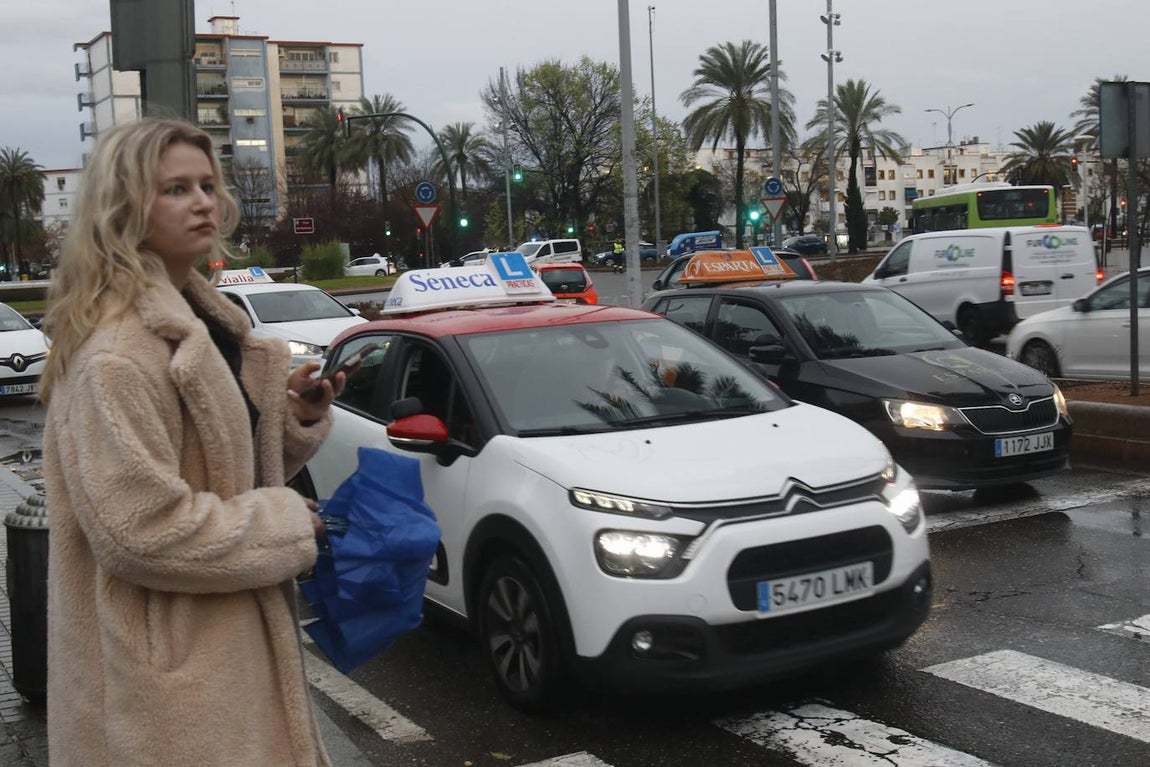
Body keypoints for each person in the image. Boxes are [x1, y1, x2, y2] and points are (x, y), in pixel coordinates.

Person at [39, 118, 343, 767]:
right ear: (124, 206)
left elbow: (213, 476)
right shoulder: (116, 357)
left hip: (221, 669)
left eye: (207, 184)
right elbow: (142, 530)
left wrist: (284, 418)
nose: (204, 200)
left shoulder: (203, 322)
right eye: (176, 188)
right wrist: (286, 521)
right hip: (167, 701)